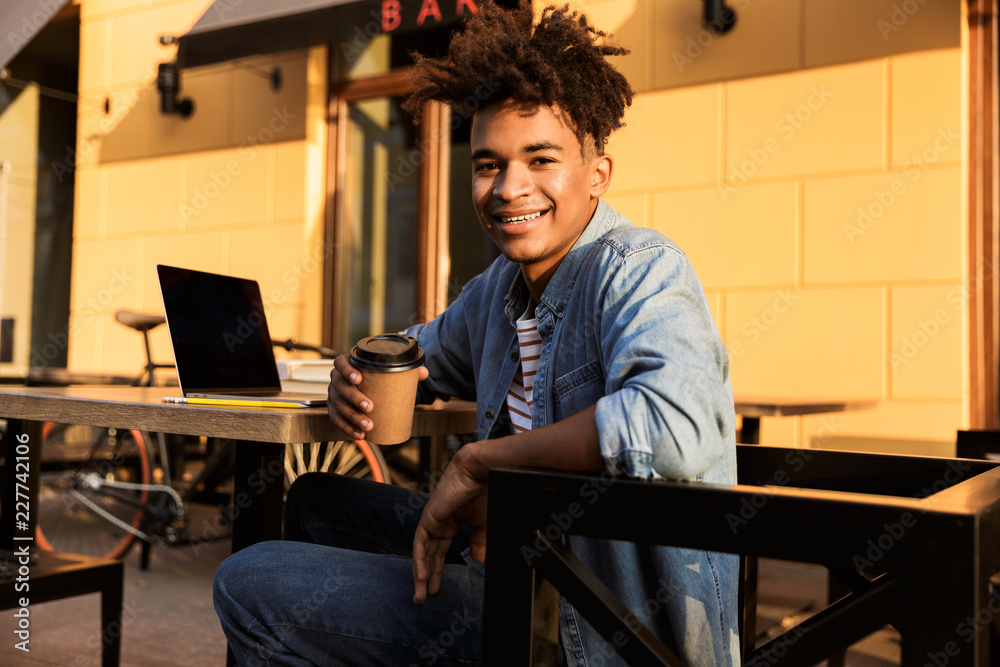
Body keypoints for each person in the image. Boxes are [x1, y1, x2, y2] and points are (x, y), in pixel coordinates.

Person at [213, 1, 740, 665]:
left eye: (540, 159)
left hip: (585, 624)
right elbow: (417, 351)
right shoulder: (498, 291)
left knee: (248, 582)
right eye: (488, 164)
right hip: (514, 556)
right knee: (317, 500)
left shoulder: (638, 268)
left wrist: (480, 463)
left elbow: (676, 424)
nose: (509, 187)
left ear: (596, 174)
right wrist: (356, 367)